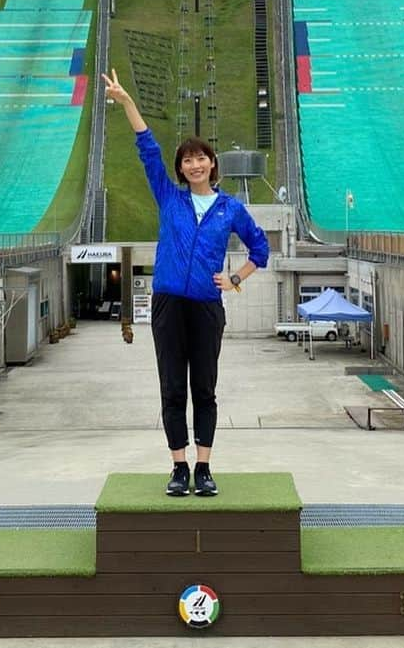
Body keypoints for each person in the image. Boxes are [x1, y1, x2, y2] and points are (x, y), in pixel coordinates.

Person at [102, 68, 269, 497]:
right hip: (168, 305)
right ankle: (178, 468)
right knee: (173, 387)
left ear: (212, 163)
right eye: (187, 160)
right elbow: (148, 151)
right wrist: (126, 103)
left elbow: (260, 249)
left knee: (205, 390)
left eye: (201, 158)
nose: (194, 165)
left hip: (206, 308)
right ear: (180, 168)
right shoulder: (169, 198)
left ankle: (204, 467)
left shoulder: (230, 208)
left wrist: (234, 279)